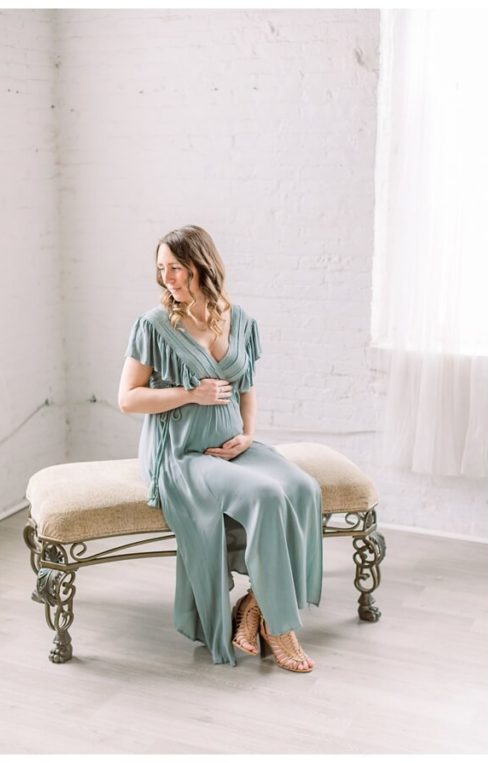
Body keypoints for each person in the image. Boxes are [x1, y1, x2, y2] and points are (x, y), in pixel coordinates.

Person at [118, 225, 323, 672]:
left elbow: (246, 388)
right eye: (161, 269)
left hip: (234, 444)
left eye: (176, 267)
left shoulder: (240, 319)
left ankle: (256, 604)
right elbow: (127, 398)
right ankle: (280, 627)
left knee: (304, 488)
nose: (167, 277)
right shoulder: (153, 325)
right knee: (267, 496)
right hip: (183, 454)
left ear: (201, 265)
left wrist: (247, 435)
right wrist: (189, 395)